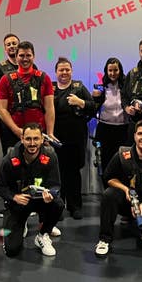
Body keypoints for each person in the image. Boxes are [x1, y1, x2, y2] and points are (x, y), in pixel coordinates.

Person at [94, 120, 142, 256]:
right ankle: (104, 239)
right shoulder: (122, 154)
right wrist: (125, 189)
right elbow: (109, 178)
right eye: (140, 133)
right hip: (127, 200)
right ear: (135, 136)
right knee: (108, 195)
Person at [0, 124, 64, 257]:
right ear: (22, 139)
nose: (32, 143)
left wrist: (50, 194)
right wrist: (14, 197)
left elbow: (56, 185)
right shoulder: (10, 157)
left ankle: (43, 235)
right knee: (12, 250)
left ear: (42, 139)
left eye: (36, 139)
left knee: (58, 203)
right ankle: (19, 225)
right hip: (18, 203)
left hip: (40, 201)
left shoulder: (50, 155)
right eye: (28, 139)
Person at [53, 57, 96, 219]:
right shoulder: (51, 88)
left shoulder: (79, 87)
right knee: (56, 174)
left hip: (75, 138)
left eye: (67, 69)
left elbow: (93, 107)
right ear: (56, 72)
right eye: (61, 70)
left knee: (73, 173)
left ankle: (75, 206)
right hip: (56, 138)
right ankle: (57, 207)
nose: (64, 72)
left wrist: (80, 102)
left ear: (71, 71)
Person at [0, 41, 56, 152]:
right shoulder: (5, 79)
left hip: (38, 134)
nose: (25, 59)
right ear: (16, 57)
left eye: (28, 55)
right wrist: (17, 130)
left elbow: (49, 107)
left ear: (33, 57)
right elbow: (2, 109)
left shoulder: (44, 78)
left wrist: (50, 133)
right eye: (21, 55)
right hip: (13, 135)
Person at [92, 57, 131, 174]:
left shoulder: (127, 87)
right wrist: (95, 98)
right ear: (106, 71)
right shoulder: (101, 87)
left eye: (115, 70)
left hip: (123, 129)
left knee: (123, 162)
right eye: (110, 70)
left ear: (120, 70)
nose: (113, 73)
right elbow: (93, 108)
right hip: (105, 129)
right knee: (105, 162)